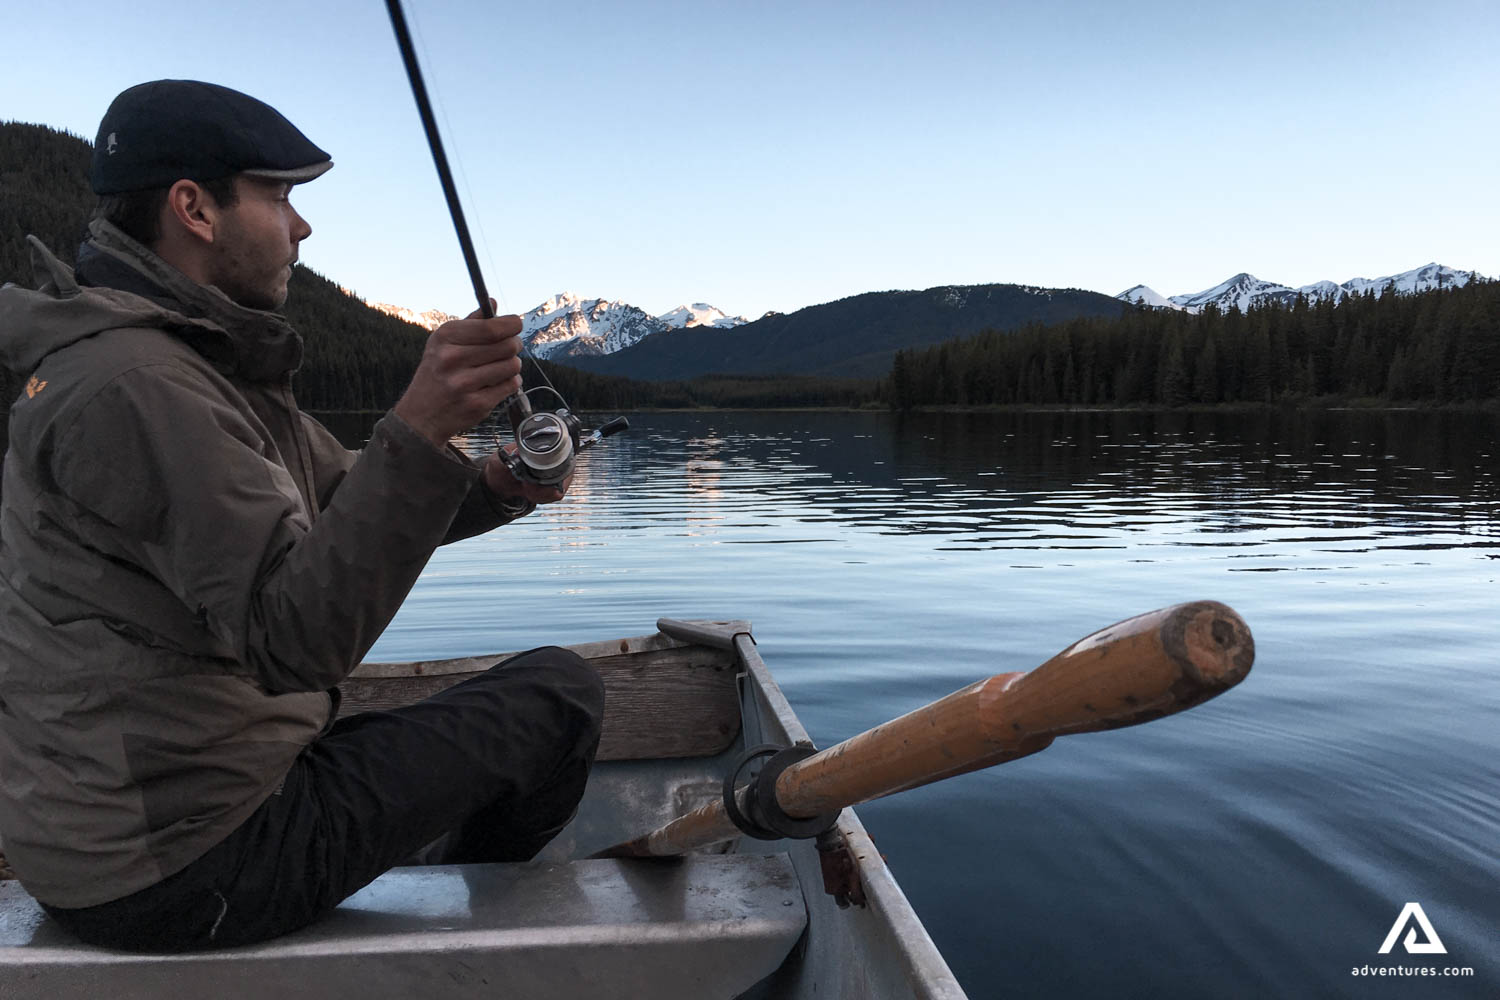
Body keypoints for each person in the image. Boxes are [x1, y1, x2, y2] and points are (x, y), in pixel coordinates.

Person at [0, 79, 605, 951]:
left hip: (138, 833)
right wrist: (421, 423)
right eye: (280, 195)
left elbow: (341, 488)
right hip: (187, 868)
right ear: (194, 209)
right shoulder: (136, 386)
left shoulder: (179, 359)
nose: (302, 225)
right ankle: (483, 935)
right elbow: (296, 644)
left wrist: (495, 486)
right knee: (563, 698)